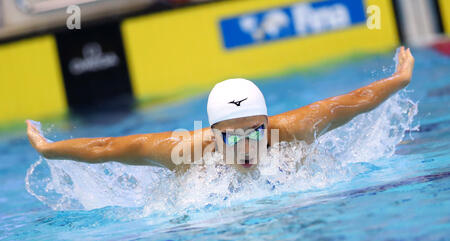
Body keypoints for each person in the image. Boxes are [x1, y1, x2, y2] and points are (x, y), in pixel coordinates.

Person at [27, 47, 415, 172]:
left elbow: (353, 101)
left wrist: (398, 80)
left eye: (254, 132)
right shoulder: (185, 151)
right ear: (213, 132)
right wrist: (48, 148)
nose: (246, 146)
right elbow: (106, 147)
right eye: (232, 136)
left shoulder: (293, 129)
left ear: (266, 121)